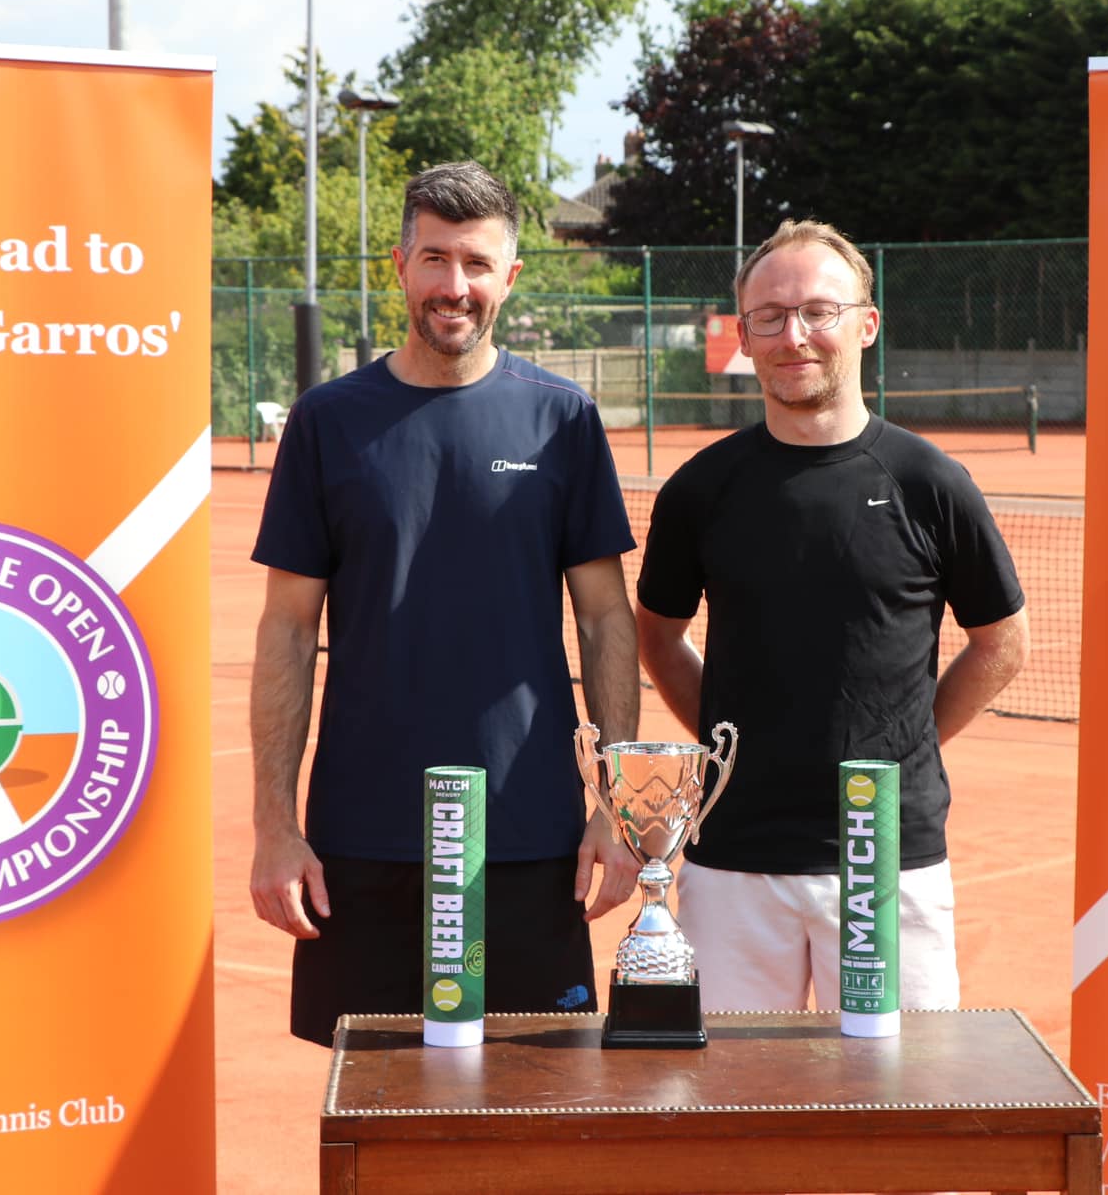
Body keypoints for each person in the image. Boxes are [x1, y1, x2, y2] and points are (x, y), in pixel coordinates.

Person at [248, 161, 641, 1045]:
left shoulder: (563, 419)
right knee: (373, 1100)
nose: (453, 286)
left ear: (511, 276)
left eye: (476, 263)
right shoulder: (327, 422)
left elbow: (605, 619)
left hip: (530, 834)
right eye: (434, 258)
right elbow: (287, 631)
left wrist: (613, 810)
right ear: (399, 266)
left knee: (533, 1094)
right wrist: (276, 826)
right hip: (363, 835)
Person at [634, 218, 1027, 1012]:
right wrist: (728, 749)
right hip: (733, 857)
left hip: (890, 856)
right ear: (745, 334)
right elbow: (659, 636)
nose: (794, 335)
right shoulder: (700, 490)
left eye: (819, 311)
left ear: (866, 325)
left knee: (902, 1085)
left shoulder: (931, 482)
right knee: (731, 1084)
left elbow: (1001, 643)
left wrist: (905, 742)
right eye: (770, 316)